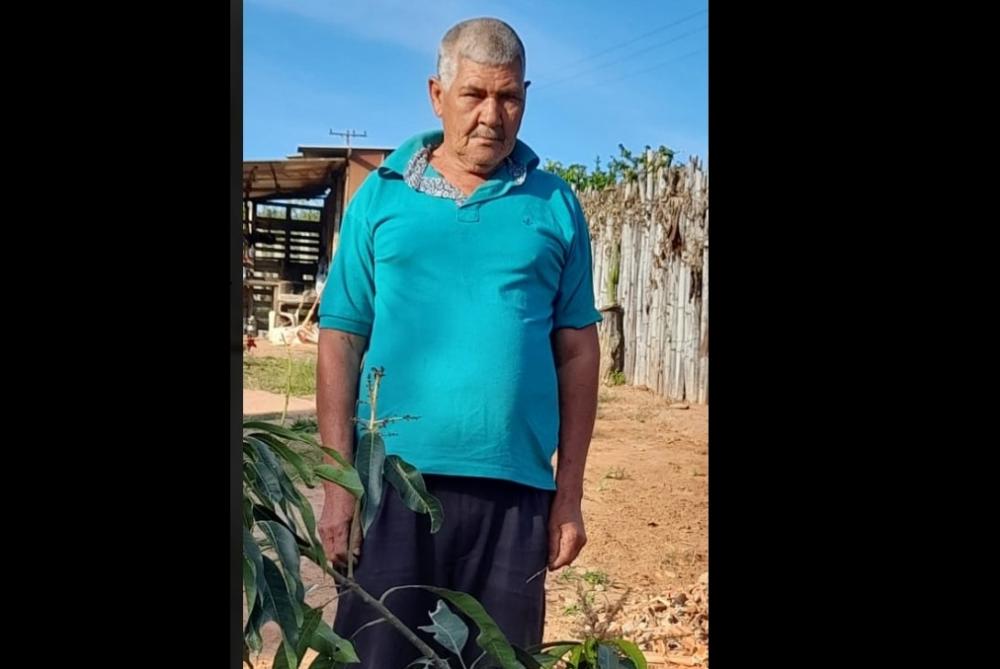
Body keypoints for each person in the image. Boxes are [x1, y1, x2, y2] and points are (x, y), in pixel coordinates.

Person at [316, 17, 601, 667]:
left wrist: (570, 493)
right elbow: (341, 339)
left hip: (516, 494)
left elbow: (579, 352)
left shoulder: (555, 204)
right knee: (375, 655)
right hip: (392, 488)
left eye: (510, 97)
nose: (492, 116)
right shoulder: (381, 197)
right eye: (474, 94)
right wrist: (338, 484)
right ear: (437, 94)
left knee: (498, 660)